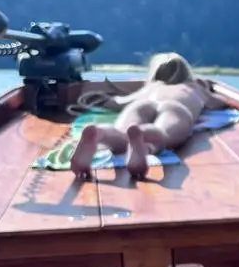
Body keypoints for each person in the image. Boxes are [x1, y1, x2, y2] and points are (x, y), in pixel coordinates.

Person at [70, 51, 209, 179]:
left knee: (123, 133)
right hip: (174, 106)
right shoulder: (194, 87)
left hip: (141, 104)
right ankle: (144, 141)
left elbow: (117, 102)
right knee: (163, 134)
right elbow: (216, 102)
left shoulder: (150, 88)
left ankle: (100, 133)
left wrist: (104, 100)